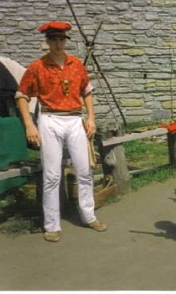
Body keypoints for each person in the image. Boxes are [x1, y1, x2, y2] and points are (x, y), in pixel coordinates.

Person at [15, 21, 107, 242]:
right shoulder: (37, 67)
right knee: (52, 174)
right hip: (49, 119)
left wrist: (91, 118)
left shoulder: (76, 64)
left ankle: (88, 215)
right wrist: (29, 124)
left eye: (61, 39)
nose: (58, 43)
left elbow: (86, 91)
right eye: (53, 39)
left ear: (65, 41)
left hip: (75, 119)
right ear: (47, 42)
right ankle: (52, 225)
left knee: (84, 170)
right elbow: (21, 95)